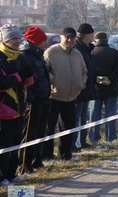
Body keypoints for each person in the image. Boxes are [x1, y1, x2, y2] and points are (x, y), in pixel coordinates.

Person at [43, 27, 87, 161]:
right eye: (67, 37)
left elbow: (84, 71)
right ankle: (47, 156)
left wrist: (81, 84)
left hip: (72, 97)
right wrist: (54, 83)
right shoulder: (51, 53)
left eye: (72, 38)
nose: (70, 40)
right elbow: (45, 73)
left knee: (69, 127)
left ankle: (65, 155)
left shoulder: (77, 54)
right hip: (54, 96)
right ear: (61, 38)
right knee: (49, 128)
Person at [0, 24, 34, 186]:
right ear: (6, 40)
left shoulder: (19, 56)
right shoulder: (1, 57)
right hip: (4, 109)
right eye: (14, 38)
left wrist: (29, 75)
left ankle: (12, 174)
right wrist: (20, 75)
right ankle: (1, 177)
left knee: (15, 143)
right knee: (3, 145)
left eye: (19, 38)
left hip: (19, 108)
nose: (17, 41)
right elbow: (2, 83)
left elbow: (25, 82)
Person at [18, 27, 51, 174]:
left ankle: (36, 161)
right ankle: (25, 165)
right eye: (43, 40)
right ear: (35, 41)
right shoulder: (26, 57)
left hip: (43, 99)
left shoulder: (38, 55)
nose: (46, 43)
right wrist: (32, 100)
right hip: (34, 102)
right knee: (29, 135)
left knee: (40, 132)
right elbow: (27, 83)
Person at [89, 32, 118, 143]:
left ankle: (93, 137)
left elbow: (86, 69)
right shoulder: (115, 53)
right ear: (106, 40)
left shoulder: (91, 53)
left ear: (96, 40)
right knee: (111, 114)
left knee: (94, 114)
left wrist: (96, 78)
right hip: (112, 88)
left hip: (95, 89)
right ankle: (111, 137)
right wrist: (110, 78)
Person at [72, 23, 95, 152]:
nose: (93, 37)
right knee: (77, 117)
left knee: (83, 117)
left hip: (87, 88)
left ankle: (82, 141)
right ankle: (74, 143)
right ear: (86, 35)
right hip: (80, 89)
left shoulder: (86, 48)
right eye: (92, 34)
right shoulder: (78, 49)